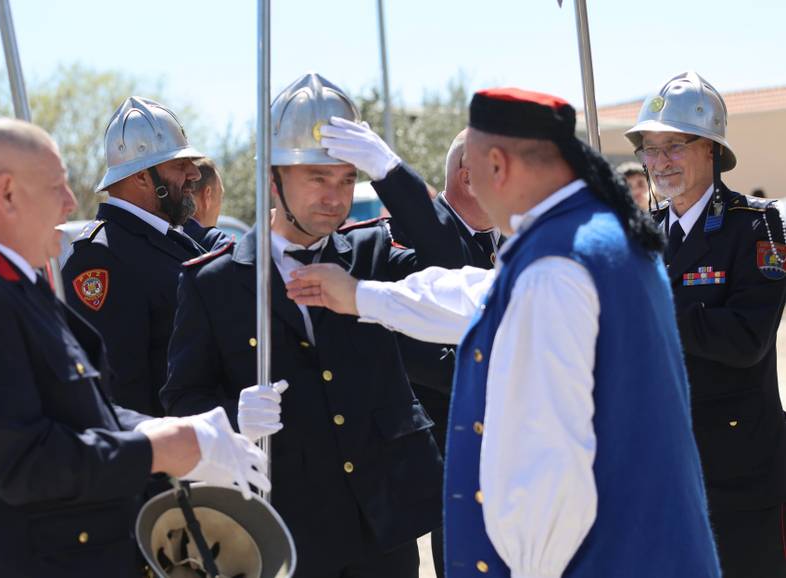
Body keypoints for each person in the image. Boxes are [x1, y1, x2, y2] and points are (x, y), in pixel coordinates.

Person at [287, 87, 720, 578]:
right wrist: (362, 297)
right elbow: (482, 295)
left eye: (471, 173)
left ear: (498, 165)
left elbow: (549, 471)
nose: (468, 190)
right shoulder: (586, 238)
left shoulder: (555, 269)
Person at [0, 118, 269, 578]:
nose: (72, 203)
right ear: (8, 193)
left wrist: (185, 431)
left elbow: (90, 411)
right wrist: (157, 449)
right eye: (58, 187)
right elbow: (23, 463)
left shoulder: (14, 287)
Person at [161, 72, 466, 578]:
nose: (335, 197)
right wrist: (233, 417)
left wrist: (389, 171)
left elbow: (450, 260)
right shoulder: (215, 283)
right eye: (318, 178)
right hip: (292, 527)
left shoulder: (370, 252)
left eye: (348, 179)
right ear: (274, 179)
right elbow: (183, 397)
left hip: (382, 527)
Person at [625, 71, 786, 578]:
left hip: (738, 474)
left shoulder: (757, 226)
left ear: (711, 149)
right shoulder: (639, 234)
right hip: (659, 469)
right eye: (649, 149)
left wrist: (652, 304)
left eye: (674, 145)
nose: (659, 162)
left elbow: (746, 339)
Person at [62, 97, 224, 416]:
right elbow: (119, 392)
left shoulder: (169, 239)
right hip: (170, 456)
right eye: (179, 165)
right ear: (141, 177)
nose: (193, 174)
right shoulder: (100, 256)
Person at [390, 129, 499, 577]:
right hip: (450, 434)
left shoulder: (509, 236)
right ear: (469, 178)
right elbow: (411, 344)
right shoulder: (411, 234)